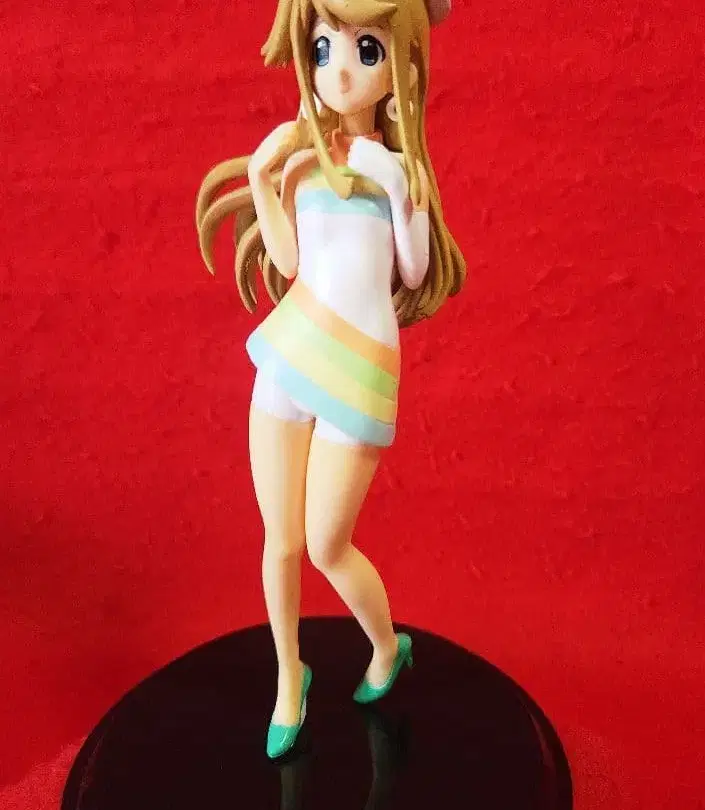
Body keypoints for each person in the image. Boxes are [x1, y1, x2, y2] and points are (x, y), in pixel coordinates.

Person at [195, 0, 464, 759]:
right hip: (292, 347)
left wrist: (397, 185)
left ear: (401, 61)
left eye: (366, 50)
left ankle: (387, 645)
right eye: (322, 48)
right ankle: (291, 674)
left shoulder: (399, 172)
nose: (341, 70)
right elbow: (288, 261)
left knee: (326, 544)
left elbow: (413, 267)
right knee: (279, 540)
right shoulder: (301, 161)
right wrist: (261, 176)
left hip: (362, 368)